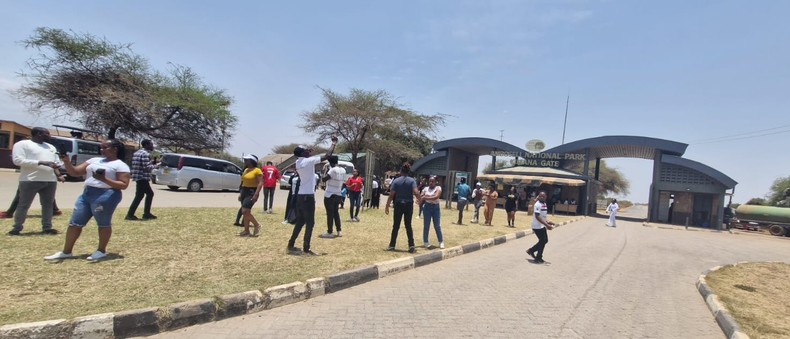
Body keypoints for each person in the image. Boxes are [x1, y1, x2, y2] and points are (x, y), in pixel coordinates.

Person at [44, 139, 130, 262]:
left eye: (105, 147)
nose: (102, 150)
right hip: (87, 194)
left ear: (115, 149)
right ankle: (66, 252)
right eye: (101, 148)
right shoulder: (94, 160)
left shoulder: (120, 165)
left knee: (103, 223)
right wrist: (66, 161)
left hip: (106, 195)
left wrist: (104, 179)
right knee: (75, 223)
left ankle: (101, 251)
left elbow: (123, 184)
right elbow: (74, 172)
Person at [287, 137, 337, 256]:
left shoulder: (299, 162)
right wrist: (333, 143)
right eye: (306, 151)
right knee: (310, 223)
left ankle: (291, 244)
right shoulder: (308, 161)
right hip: (307, 197)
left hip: (300, 196)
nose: (308, 152)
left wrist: (307, 152)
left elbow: (305, 155)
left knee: (300, 221)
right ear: (303, 153)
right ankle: (306, 249)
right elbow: (327, 155)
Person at [9, 127, 63, 236]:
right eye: (47, 133)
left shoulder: (50, 147)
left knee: (48, 205)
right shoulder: (22, 144)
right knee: (24, 205)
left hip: (50, 181)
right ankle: (17, 228)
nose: (49, 136)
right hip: (30, 180)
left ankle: (47, 227)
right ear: (38, 134)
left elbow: (56, 162)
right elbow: (17, 160)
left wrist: (59, 174)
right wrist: (41, 162)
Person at [385, 163, 421, 253]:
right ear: (408, 171)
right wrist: (420, 200)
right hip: (408, 205)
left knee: (396, 225)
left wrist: (387, 205)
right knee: (408, 225)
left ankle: (392, 245)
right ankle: (411, 245)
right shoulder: (412, 181)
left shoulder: (396, 181)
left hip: (398, 204)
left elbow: (391, 195)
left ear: (401, 171)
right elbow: (416, 192)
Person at [125, 139, 158, 221]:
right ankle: (146, 214)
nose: (152, 146)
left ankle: (131, 214)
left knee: (139, 196)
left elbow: (144, 164)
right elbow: (147, 168)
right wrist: (158, 165)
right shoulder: (145, 154)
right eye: (151, 144)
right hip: (142, 177)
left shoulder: (137, 153)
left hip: (138, 177)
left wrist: (153, 162)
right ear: (146, 145)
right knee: (150, 194)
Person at [526, 191, 555, 264]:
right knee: (543, 241)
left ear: (546, 197)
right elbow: (537, 216)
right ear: (538, 196)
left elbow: (543, 216)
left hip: (541, 225)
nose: (542, 197)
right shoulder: (537, 204)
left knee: (544, 241)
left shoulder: (544, 203)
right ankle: (537, 256)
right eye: (540, 196)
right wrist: (547, 225)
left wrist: (548, 222)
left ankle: (533, 252)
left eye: (543, 196)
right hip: (537, 226)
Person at [238, 154, 263, 237]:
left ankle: (257, 225)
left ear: (252, 161)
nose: (244, 161)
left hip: (252, 191)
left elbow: (260, 183)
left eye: (246, 160)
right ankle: (246, 231)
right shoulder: (246, 170)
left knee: (244, 211)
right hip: (244, 191)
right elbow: (243, 182)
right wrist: (241, 193)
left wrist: (256, 194)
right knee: (246, 212)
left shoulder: (257, 170)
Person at [320, 156, 345, 238]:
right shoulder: (342, 170)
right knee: (336, 213)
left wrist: (325, 171)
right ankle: (339, 230)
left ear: (330, 163)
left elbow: (324, 179)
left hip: (330, 194)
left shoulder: (332, 170)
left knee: (330, 214)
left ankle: (330, 231)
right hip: (338, 193)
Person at [420, 176, 444, 249]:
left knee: (437, 225)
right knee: (426, 225)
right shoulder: (425, 189)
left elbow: (436, 197)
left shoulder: (438, 188)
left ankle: (441, 241)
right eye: (430, 181)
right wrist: (425, 196)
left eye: (432, 181)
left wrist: (426, 197)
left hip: (435, 208)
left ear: (435, 182)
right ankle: (426, 242)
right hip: (427, 207)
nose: (431, 182)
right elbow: (420, 196)